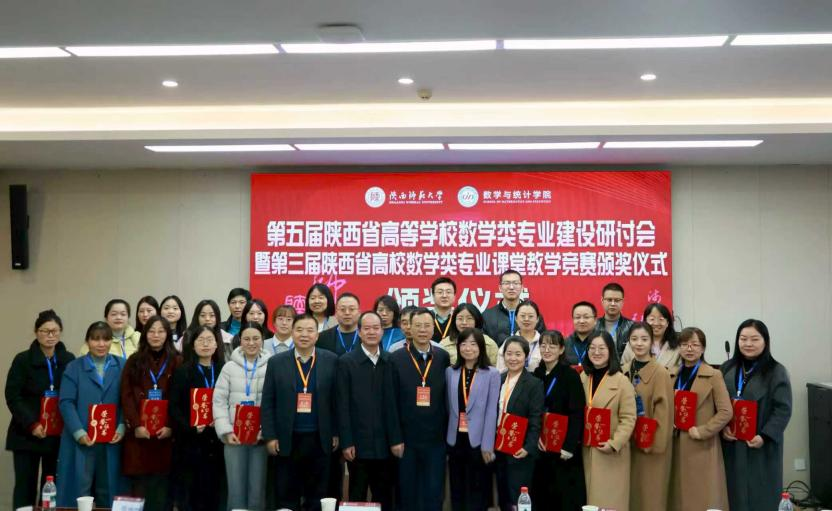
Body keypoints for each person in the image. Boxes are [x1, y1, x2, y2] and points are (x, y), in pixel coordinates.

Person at [262, 314, 339, 511]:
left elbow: (336, 401)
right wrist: (270, 436)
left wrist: (335, 432)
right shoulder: (276, 362)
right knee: (287, 493)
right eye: (299, 330)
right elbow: (268, 401)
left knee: (317, 495)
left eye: (310, 330)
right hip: (287, 438)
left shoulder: (331, 360)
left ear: (317, 335)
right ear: (292, 332)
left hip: (320, 438)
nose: (304, 334)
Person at [5, 310, 75, 509]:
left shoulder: (68, 359)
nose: (50, 335)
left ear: (60, 332)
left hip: (57, 434)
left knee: (52, 485)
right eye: (45, 331)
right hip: (27, 433)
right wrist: (32, 424)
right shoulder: (23, 360)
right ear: (36, 332)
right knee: (25, 487)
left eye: (55, 331)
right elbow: (13, 396)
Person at [721, 319, 792, 511]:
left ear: (765, 341)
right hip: (732, 444)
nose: (748, 344)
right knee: (732, 492)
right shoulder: (727, 368)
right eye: (743, 338)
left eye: (754, 339)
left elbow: (783, 410)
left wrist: (765, 436)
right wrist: (723, 428)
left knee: (761, 493)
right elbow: (717, 403)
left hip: (760, 444)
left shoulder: (776, 371)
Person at [56, 321, 127, 507]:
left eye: (106, 339)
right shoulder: (74, 367)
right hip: (82, 438)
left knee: (109, 489)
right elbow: (66, 402)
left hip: (112, 438)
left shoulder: (122, 365)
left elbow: (127, 401)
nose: (101, 344)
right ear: (87, 341)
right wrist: (79, 432)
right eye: (96, 339)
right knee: (78, 490)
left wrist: (121, 426)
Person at [336, 312, 401, 511]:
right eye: (367, 328)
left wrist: (396, 439)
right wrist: (347, 441)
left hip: (385, 445)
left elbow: (396, 406)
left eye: (376, 328)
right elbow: (342, 405)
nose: (372, 332)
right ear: (359, 332)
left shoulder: (391, 361)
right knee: (357, 496)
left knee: (385, 496)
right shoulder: (346, 362)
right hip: (358, 446)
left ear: (382, 331)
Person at [390, 308, 450, 511]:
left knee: (434, 492)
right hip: (406, 440)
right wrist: (396, 438)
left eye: (427, 326)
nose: (422, 330)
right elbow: (391, 402)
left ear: (433, 329)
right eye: (418, 326)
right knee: (407, 493)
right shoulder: (396, 358)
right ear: (409, 328)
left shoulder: (442, 357)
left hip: (436, 439)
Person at [120, 316, 181, 511]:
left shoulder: (177, 360)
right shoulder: (134, 361)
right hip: (139, 435)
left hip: (166, 436)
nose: (156, 335)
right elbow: (126, 395)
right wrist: (136, 425)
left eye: (161, 331)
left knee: (162, 490)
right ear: (145, 334)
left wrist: (170, 426)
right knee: (140, 488)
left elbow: (180, 398)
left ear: (168, 335)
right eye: (152, 331)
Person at [668, 327, 732, 511]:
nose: (689, 349)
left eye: (695, 345)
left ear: (703, 348)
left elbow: (725, 411)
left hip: (701, 444)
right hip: (675, 442)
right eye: (684, 344)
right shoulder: (670, 374)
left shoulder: (713, 375)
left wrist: (703, 431)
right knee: (677, 495)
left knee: (702, 495)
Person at [213, 321, 272, 511]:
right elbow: (219, 401)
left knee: (257, 489)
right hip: (234, 437)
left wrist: (265, 430)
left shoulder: (272, 365)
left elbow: (275, 401)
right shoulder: (229, 367)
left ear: (262, 340)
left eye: (256, 338)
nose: (251, 343)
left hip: (260, 437)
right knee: (235, 489)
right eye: (247, 339)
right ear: (240, 340)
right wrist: (226, 431)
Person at [169, 325, 227, 511]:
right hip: (190, 441)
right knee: (191, 492)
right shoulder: (183, 371)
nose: (205, 344)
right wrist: (190, 427)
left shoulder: (224, 370)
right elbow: (174, 406)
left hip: (217, 440)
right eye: (200, 340)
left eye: (210, 340)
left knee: (214, 491)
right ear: (192, 345)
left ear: (216, 345)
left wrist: (221, 422)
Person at [445, 328, 500, 511]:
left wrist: (487, 445)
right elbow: (448, 407)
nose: (468, 348)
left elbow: (492, 411)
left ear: (481, 347)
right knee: (457, 487)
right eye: (464, 344)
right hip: (455, 439)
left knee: (478, 488)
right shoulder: (450, 372)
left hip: (479, 441)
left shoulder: (491, 373)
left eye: (473, 344)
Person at [581, 331, 637, 511]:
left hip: (610, 451)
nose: (596, 352)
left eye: (602, 348)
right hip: (586, 449)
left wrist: (615, 443)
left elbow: (629, 417)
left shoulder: (622, 381)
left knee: (609, 502)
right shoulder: (583, 377)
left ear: (610, 351)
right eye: (592, 348)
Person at [621, 322, 673, 511]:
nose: (639, 343)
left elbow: (664, 413)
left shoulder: (660, 373)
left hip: (649, 443)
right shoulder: (624, 370)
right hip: (627, 442)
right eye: (634, 339)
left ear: (652, 342)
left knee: (650, 493)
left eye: (644, 339)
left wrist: (654, 444)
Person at [531, 330, 585, 511]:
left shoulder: (570, 375)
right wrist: (535, 437)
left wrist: (569, 446)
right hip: (541, 445)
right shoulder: (536, 374)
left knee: (562, 496)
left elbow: (577, 413)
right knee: (541, 495)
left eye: (552, 346)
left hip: (562, 447)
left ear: (561, 349)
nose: (547, 350)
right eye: (543, 345)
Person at [494, 336, 544, 511]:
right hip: (499, 446)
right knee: (503, 495)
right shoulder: (498, 379)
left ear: (526, 356)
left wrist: (528, 447)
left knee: (519, 496)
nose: (513, 358)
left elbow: (536, 418)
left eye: (518, 354)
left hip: (520, 449)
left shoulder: (533, 383)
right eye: (509, 354)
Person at [482, 269, 545, 346]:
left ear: (522, 287)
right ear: (500, 288)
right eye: (507, 283)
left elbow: (543, 342)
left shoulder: (533, 316)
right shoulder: (487, 315)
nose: (511, 287)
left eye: (515, 283)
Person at [621, 303, 680, 369]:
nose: (656, 323)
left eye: (661, 319)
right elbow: (623, 369)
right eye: (652, 319)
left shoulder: (677, 347)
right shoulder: (632, 344)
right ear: (645, 321)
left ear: (667, 323)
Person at [495, 300, 543, 372]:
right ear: (516, 318)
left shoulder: (543, 342)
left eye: (531, 316)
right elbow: (500, 371)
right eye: (522, 316)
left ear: (537, 319)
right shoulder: (508, 342)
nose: (526, 319)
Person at [595, 283, 634, 358]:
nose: (613, 304)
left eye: (617, 300)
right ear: (602, 300)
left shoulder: (632, 327)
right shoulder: (593, 326)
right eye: (609, 300)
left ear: (622, 302)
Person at [563, 301, 598, 367]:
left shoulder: (603, 341)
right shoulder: (565, 343)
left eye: (586, 317)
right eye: (577, 317)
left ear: (595, 320)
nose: (581, 321)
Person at [430, 277, 457, 342]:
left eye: (448, 292)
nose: (444, 296)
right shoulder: (425, 317)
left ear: (454, 296)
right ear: (433, 296)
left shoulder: (459, 318)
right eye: (440, 292)